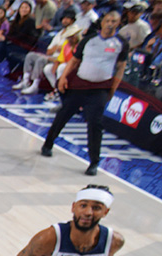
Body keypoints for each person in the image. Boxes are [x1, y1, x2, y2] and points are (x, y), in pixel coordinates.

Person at [40, 10, 129, 176]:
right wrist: (63, 77)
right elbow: (74, 61)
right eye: (108, 20)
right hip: (80, 84)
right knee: (63, 114)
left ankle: (94, 162)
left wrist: (112, 89)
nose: (110, 23)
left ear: (118, 24)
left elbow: (120, 68)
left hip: (100, 88)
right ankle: (48, 144)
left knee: (95, 124)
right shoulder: (89, 40)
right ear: (102, 22)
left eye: (114, 21)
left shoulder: (121, 43)